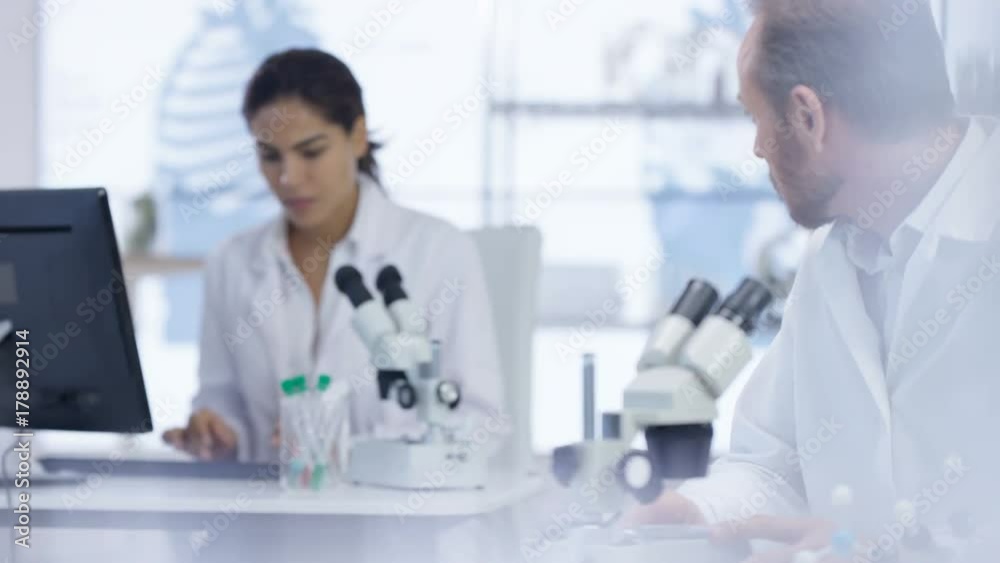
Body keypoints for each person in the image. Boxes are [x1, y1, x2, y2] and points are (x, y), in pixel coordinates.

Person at [630, 1, 1000, 561]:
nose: (758, 148)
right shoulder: (836, 258)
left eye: (756, 118)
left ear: (808, 116)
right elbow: (774, 466)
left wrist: (888, 550)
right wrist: (699, 512)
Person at [162, 48, 504, 464]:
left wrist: (348, 451)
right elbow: (221, 397)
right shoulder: (230, 262)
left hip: (393, 506)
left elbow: (481, 422)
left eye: (311, 152)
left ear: (357, 136)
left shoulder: (438, 250)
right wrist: (219, 434)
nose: (288, 177)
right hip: (266, 503)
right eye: (270, 156)